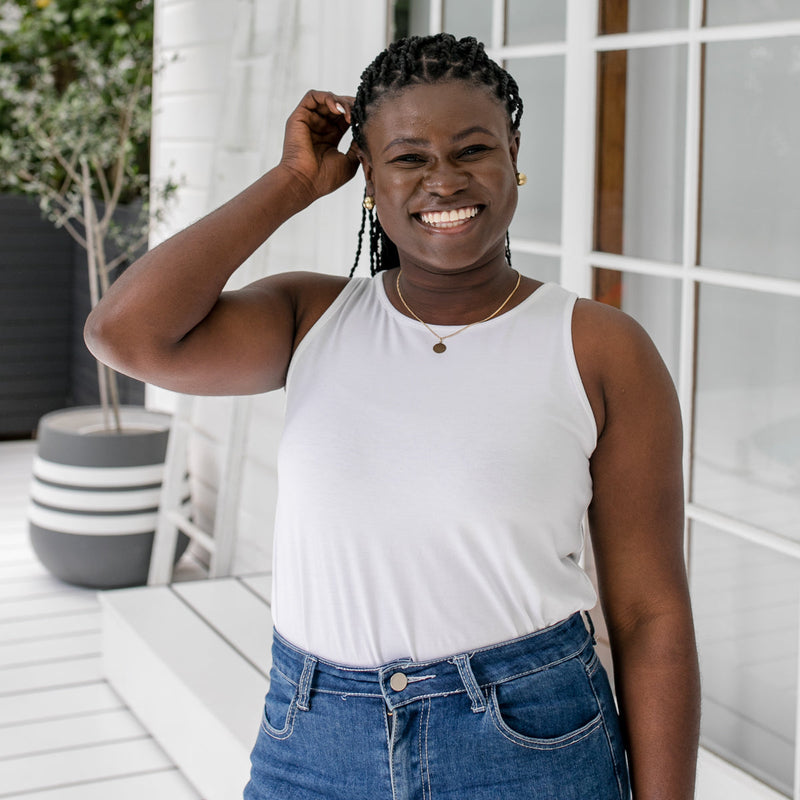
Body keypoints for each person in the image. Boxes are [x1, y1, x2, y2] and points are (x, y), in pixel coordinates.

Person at [85, 33, 700, 800]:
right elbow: (123, 333)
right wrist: (291, 182)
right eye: (408, 158)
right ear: (368, 177)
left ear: (513, 154)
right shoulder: (311, 319)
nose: (444, 180)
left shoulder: (601, 348)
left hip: (530, 739)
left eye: (472, 150)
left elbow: (650, 615)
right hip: (313, 739)